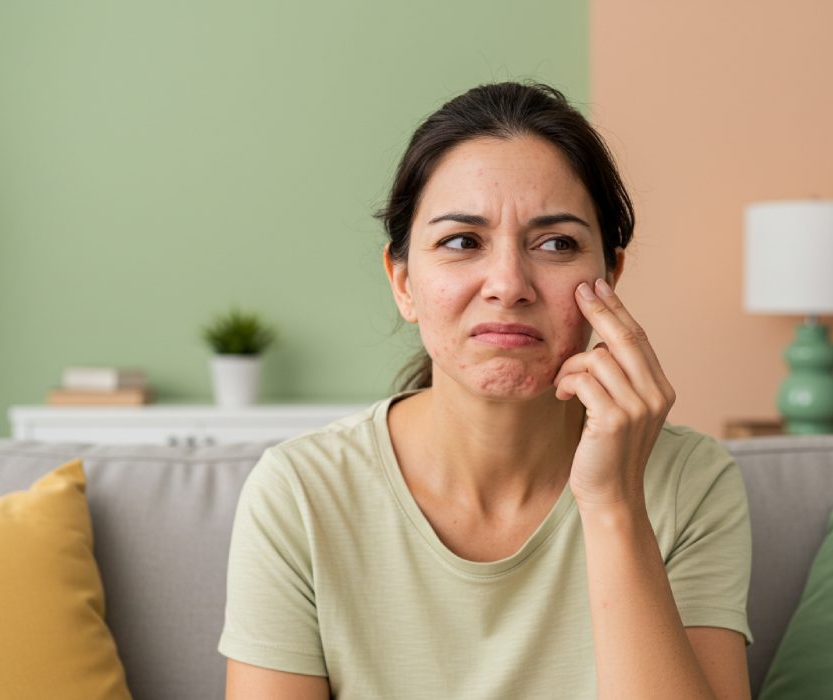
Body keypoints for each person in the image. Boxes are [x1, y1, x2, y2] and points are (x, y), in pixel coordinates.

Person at [219, 81, 754, 699]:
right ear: (403, 282)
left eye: (556, 244)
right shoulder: (301, 492)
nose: (508, 283)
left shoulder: (691, 481)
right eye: (461, 242)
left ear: (611, 275)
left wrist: (613, 506)